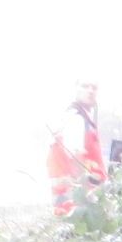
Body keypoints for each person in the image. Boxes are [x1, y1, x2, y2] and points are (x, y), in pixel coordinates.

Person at [46, 84, 104, 215]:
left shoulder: (83, 119)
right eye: (85, 86)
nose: (90, 91)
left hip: (68, 196)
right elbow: (76, 157)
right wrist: (86, 194)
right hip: (73, 198)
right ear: (75, 90)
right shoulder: (75, 118)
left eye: (94, 87)